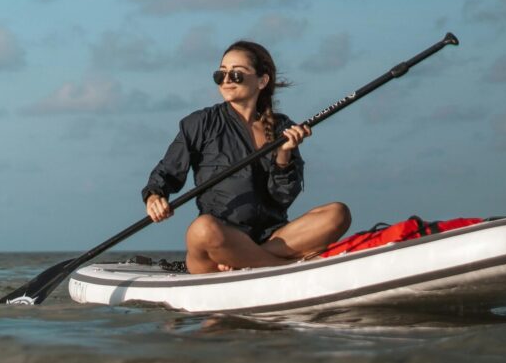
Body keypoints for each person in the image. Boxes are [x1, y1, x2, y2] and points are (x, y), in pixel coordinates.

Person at [142, 41, 351, 274]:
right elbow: (166, 173)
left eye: (236, 74)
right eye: (221, 74)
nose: (227, 80)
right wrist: (154, 197)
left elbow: (282, 198)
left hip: (272, 237)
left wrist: (284, 154)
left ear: (262, 81)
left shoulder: (283, 127)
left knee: (337, 213)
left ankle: (245, 260)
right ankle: (285, 267)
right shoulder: (200, 123)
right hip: (219, 240)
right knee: (202, 229)